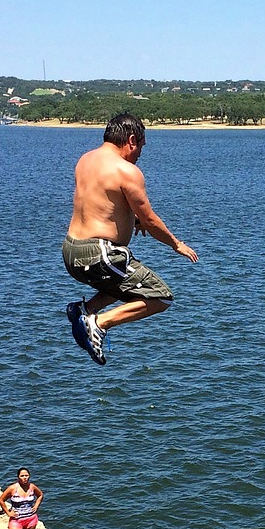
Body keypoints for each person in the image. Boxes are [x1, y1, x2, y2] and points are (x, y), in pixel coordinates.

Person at [62, 112, 198, 365]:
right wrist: (176, 244)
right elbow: (151, 220)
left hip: (72, 252)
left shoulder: (86, 160)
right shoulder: (127, 171)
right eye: (141, 148)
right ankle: (99, 322)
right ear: (132, 140)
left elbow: (101, 202)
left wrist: (131, 220)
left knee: (125, 282)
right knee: (159, 297)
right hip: (98, 254)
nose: (139, 156)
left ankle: (85, 309)